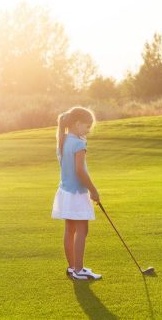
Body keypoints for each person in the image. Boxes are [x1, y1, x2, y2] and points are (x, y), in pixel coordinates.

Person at [52, 106, 102, 280]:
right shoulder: (79, 143)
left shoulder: (63, 139)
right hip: (77, 193)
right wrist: (94, 191)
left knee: (70, 229)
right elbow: (80, 171)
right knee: (82, 229)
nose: (88, 131)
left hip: (65, 191)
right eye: (87, 126)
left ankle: (73, 268)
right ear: (77, 123)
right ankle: (79, 270)